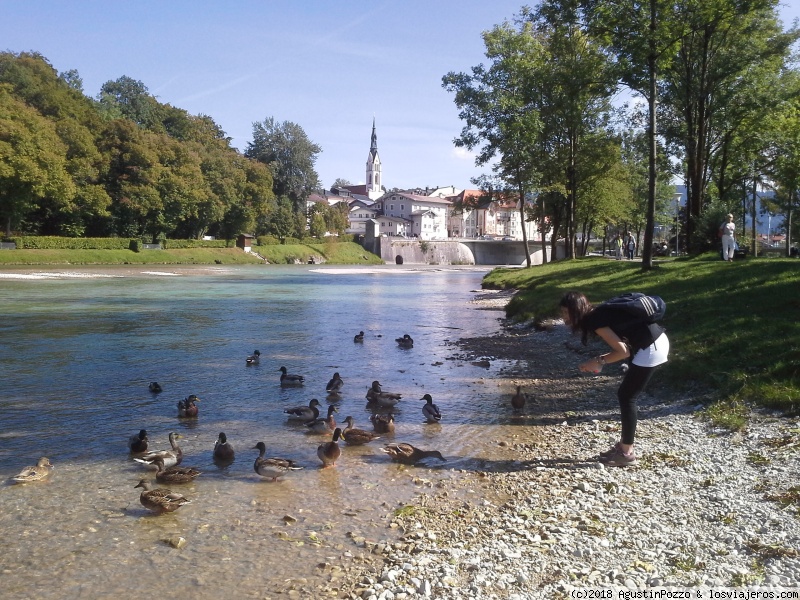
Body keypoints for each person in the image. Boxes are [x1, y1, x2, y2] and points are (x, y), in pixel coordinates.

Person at [559, 291, 670, 467]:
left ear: (576, 310)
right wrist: (599, 361)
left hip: (651, 348)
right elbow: (623, 347)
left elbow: (622, 352)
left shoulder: (596, 320)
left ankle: (626, 453)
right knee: (626, 394)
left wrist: (598, 361)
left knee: (627, 396)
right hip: (652, 344)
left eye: (565, 313)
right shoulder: (597, 315)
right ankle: (624, 447)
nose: (564, 318)